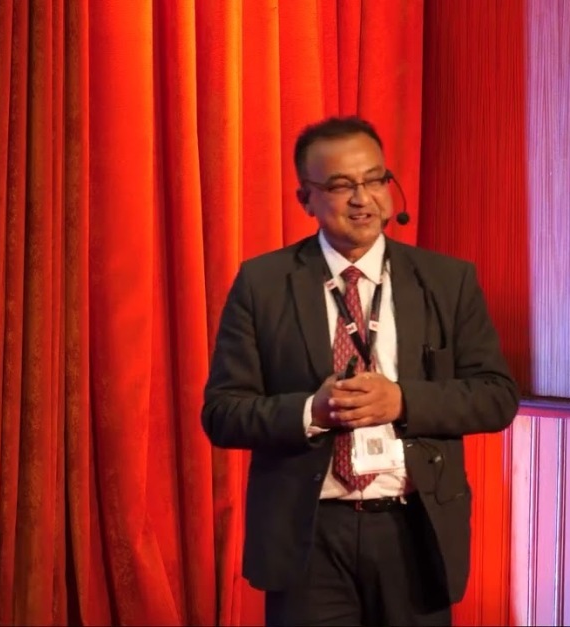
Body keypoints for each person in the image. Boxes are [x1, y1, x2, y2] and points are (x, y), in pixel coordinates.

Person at [201, 116, 520, 626]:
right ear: (306, 199)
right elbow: (223, 413)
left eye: (374, 180)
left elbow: (496, 396)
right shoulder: (263, 283)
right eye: (340, 185)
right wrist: (311, 411)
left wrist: (403, 401)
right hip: (309, 534)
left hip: (413, 529)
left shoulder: (446, 280)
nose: (362, 198)